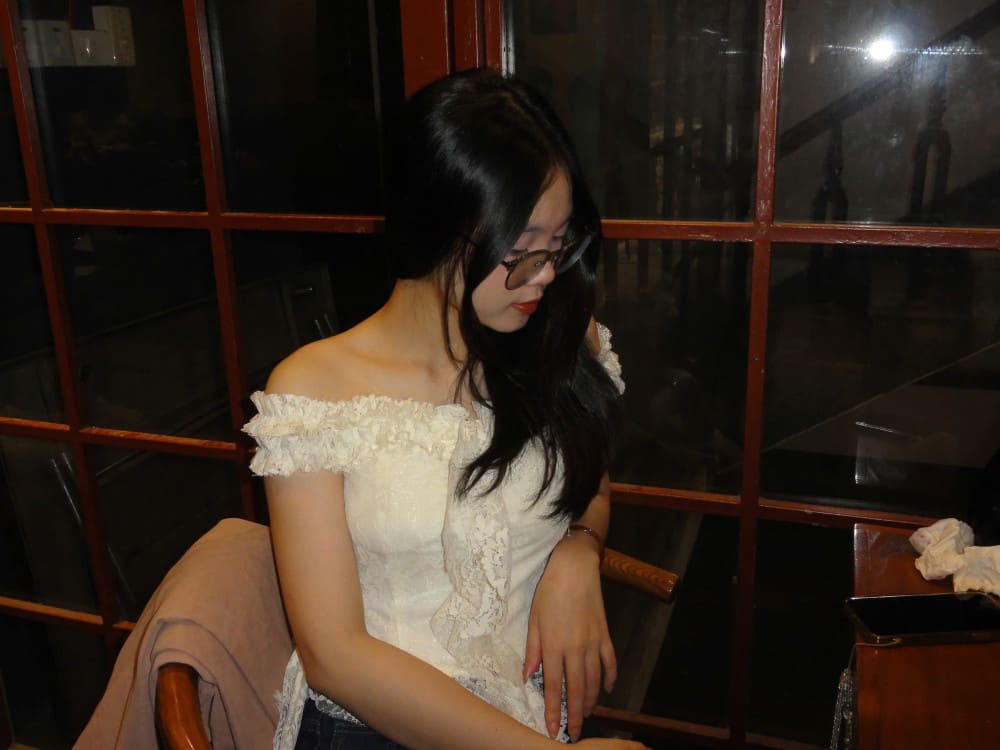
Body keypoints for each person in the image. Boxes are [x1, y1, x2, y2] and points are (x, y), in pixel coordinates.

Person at [244, 68, 648, 750]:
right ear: (438, 228)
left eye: (559, 242)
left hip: (535, 714)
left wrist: (578, 550)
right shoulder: (315, 390)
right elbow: (335, 656)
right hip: (375, 729)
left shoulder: (557, 338)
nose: (548, 274)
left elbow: (591, 486)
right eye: (522, 249)